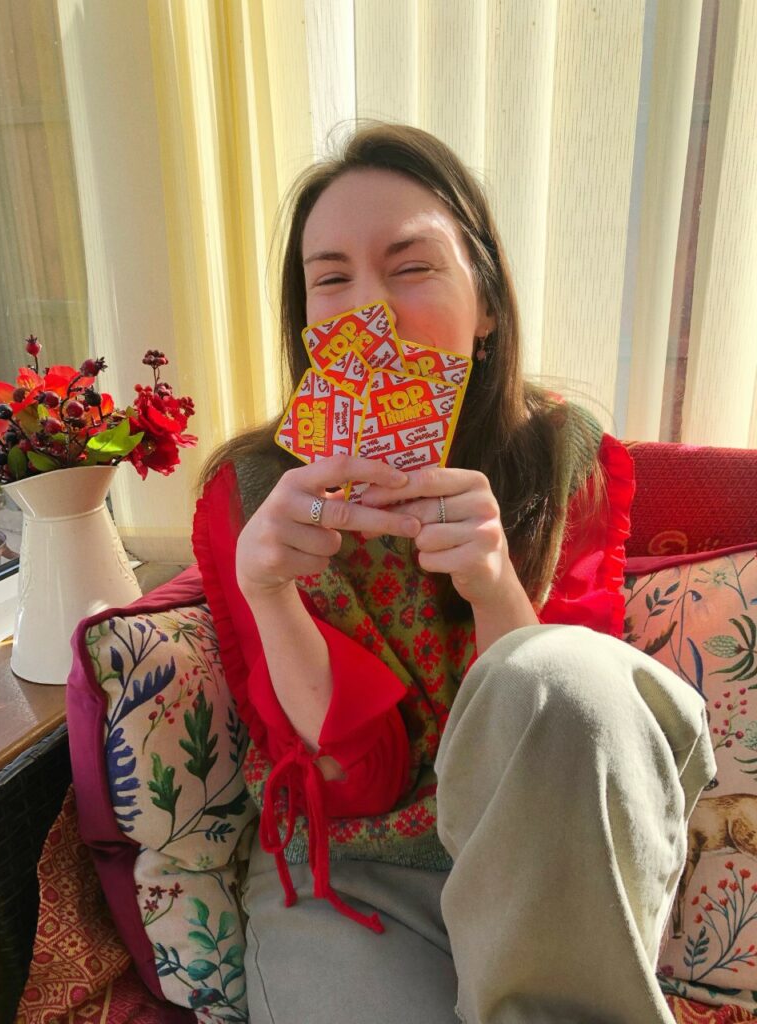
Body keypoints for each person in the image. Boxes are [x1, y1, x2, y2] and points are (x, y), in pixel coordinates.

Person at [191, 123, 715, 1024]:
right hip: (354, 879)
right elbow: (356, 783)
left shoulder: (566, 462)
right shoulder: (247, 502)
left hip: (543, 865)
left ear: (488, 305)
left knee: (554, 671)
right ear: (308, 327)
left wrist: (494, 587)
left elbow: (573, 743)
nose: (370, 313)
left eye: (410, 267)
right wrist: (271, 595)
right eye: (331, 280)